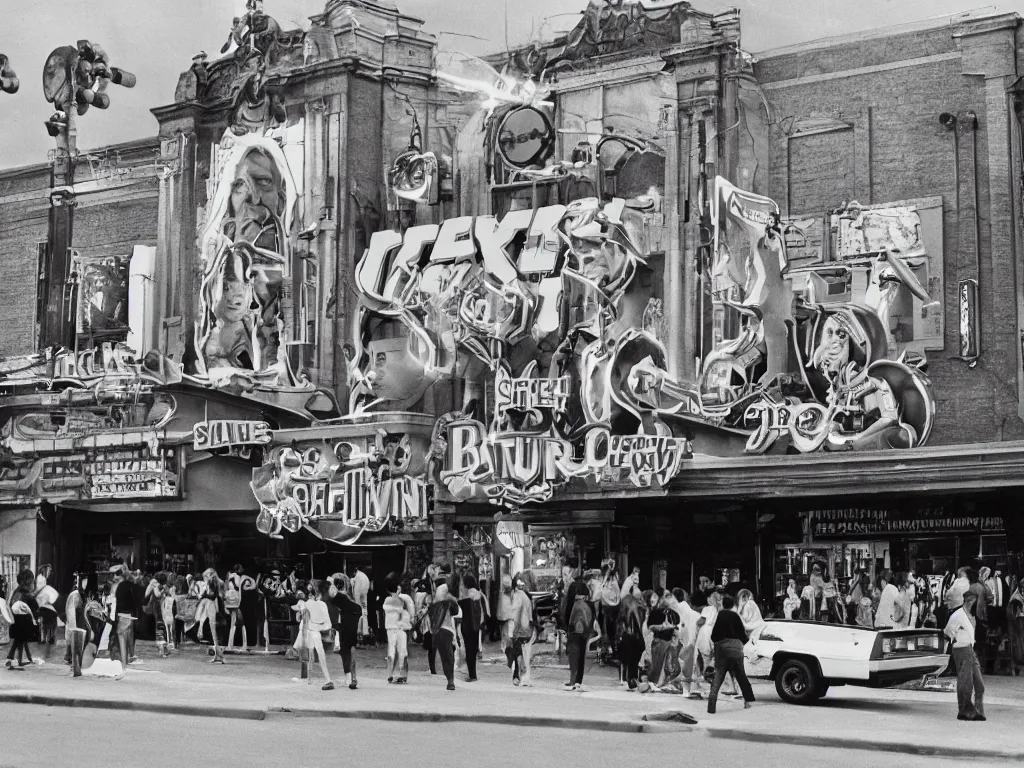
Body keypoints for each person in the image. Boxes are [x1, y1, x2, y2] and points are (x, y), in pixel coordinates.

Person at [706, 595, 756, 714]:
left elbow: (714, 636)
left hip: (722, 649)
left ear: (723, 604)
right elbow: (743, 635)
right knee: (741, 676)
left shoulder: (720, 615)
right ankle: (747, 702)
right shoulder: (736, 616)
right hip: (736, 648)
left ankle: (711, 706)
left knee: (719, 676)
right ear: (733, 604)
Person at [944, 591, 985, 721]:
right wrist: (956, 638)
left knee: (979, 683)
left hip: (969, 648)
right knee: (966, 680)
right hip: (961, 648)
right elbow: (948, 631)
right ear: (971, 601)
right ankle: (965, 710)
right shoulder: (958, 615)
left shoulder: (969, 615)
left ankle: (976, 709)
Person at [665, 588, 705, 698]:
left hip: (686, 638)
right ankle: (691, 687)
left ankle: (687, 689)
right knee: (691, 662)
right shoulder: (687, 609)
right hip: (691, 638)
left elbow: (682, 625)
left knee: (685, 662)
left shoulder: (679, 608)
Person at [298, 581, 334, 691]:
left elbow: (326, 623)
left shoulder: (315, 605)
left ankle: (327, 679)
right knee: (312, 654)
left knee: (317, 654)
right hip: (313, 630)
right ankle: (313, 678)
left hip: (314, 630)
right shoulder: (317, 604)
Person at [426, 580, 461, 691]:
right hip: (448, 630)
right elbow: (455, 612)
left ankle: (449, 679)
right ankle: (450, 680)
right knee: (448, 656)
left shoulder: (432, 602)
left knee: (445, 655)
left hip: (437, 630)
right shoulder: (450, 600)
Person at [329, 575, 363, 689]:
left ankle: (348, 677)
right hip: (351, 627)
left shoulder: (338, 598)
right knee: (351, 651)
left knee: (345, 653)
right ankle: (353, 677)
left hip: (343, 627)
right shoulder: (349, 598)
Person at [382, 577, 413, 684]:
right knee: (402, 651)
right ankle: (403, 674)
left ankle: (390, 674)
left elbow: (386, 610)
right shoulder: (403, 600)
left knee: (391, 650)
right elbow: (409, 612)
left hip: (390, 628)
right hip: (401, 628)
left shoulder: (387, 600)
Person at [566, 578, 593, 691]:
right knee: (581, 655)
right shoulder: (587, 604)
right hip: (584, 633)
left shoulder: (576, 605)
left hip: (575, 633)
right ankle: (578, 681)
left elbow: (571, 620)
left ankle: (573, 679)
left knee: (574, 655)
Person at [616, 583, 645, 690]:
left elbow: (620, 619)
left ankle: (625, 678)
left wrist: (618, 635)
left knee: (625, 659)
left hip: (626, 633)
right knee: (634, 659)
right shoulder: (640, 604)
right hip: (637, 634)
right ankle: (633, 678)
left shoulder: (625, 601)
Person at [509, 574, 535, 687]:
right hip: (527, 628)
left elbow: (516, 615)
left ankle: (518, 676)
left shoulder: (517, 596)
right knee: (525, 653)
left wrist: (514, 631)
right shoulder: (525, 596)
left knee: (518, 653)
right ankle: (524, 676)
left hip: (520, 629)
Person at [458, 574, 484, 682]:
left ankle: (471, 674)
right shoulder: (479, 594)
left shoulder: (467, 595)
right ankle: (473, 673)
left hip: (467, 624)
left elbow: (460, 607)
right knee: (473, 649)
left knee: (468, 649)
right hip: (476, 625)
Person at [144, 573, 172, 658]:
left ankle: (164, 649)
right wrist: (163, 591)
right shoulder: (155, 584)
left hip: (157, 607)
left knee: (161, 627)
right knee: (159, 627)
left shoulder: (155, 584)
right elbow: (157, 594)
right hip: (156, 607)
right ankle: (162, 650)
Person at [600, 562, 621, 656]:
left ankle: (607, 647)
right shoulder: (615, 580)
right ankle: (613, 646)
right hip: (614, 606)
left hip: (607, 606)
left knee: (606, 627)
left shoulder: (606, 580)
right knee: (613, 626)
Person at [225, 564, 246, 652]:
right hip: (236, 600)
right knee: (240, 623)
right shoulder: (237, 577)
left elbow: (226, 588)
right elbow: (239, 588)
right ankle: (241, 644)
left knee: (233, 623)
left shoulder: (229, 575)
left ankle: (230, 644)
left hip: (229, 599)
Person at [497, 573, 514, 654]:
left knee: (504, 632)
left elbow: (501, 606)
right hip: (509, 616)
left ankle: (504, 646)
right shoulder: (511, 593)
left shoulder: (502, 593)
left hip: (504, 616)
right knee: (509, 632)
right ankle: (508, 646)